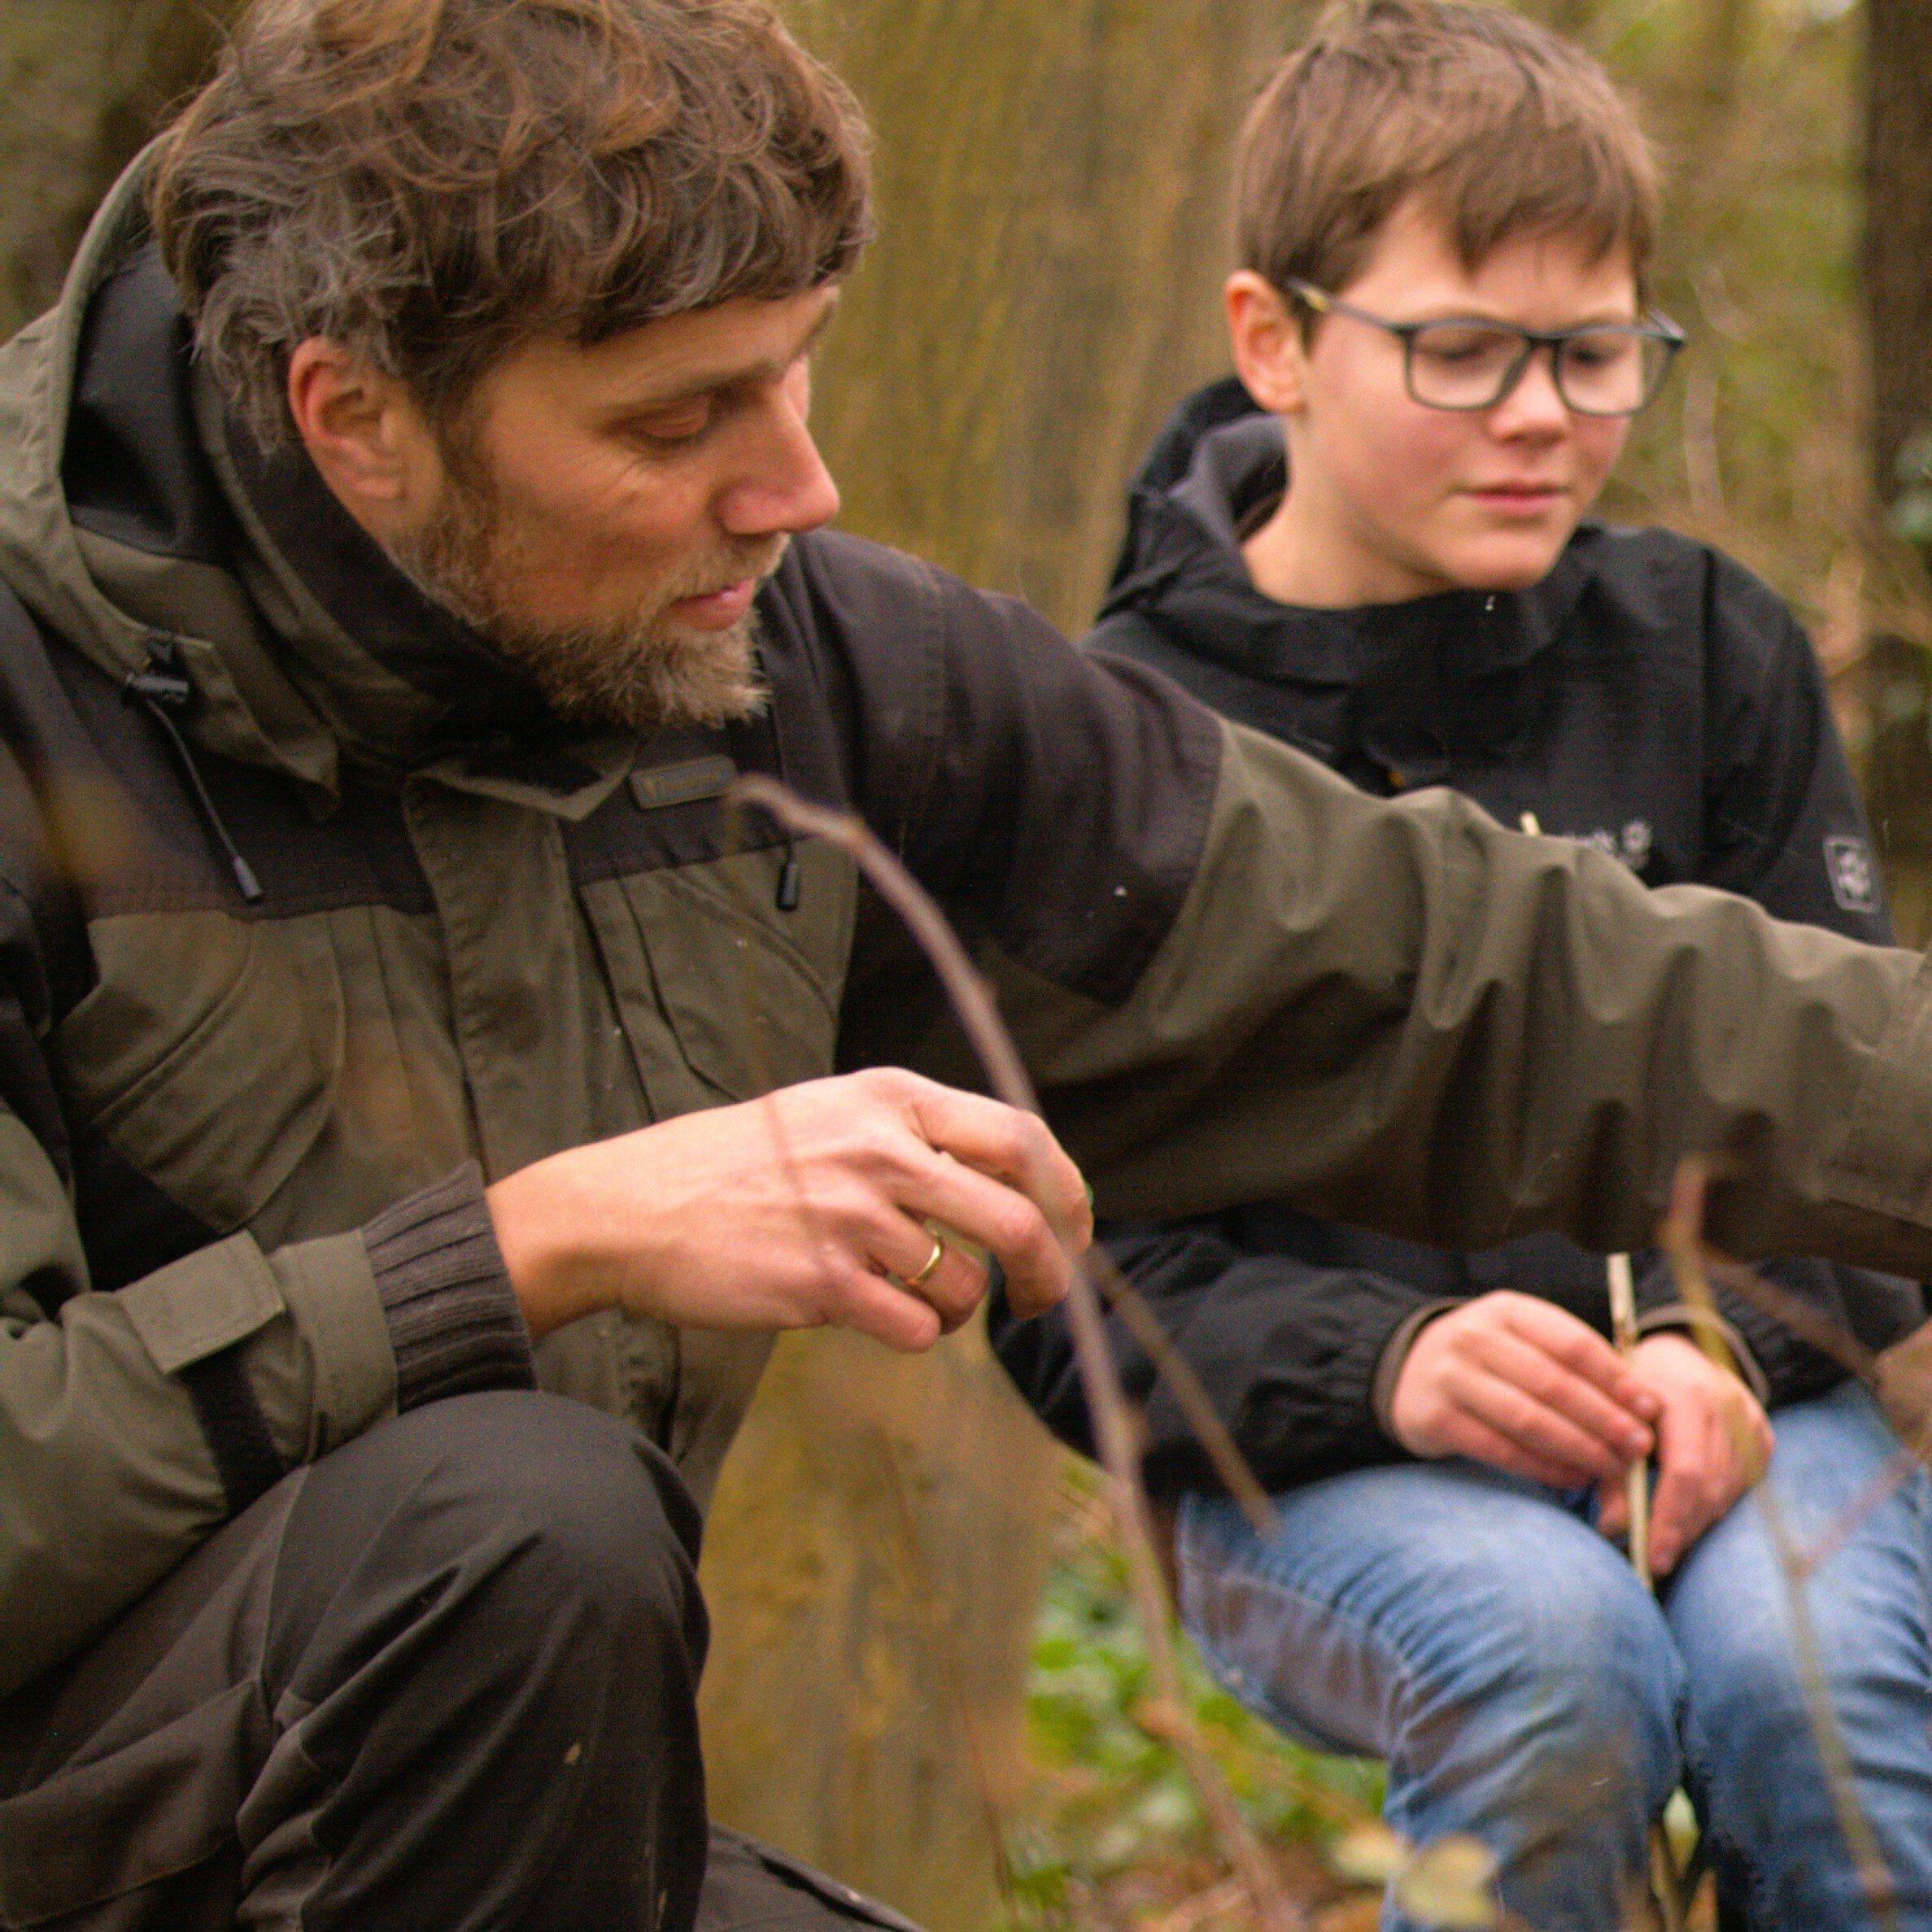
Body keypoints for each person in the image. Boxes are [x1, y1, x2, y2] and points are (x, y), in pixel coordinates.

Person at [1, 2, 1932, 1928]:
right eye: (680, 422)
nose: (798, 490)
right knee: (512, 1523)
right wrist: (515, 1253)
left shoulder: (807, 674)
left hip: (501, 1831)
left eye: (796, 378)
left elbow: (1460, 976)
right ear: (354, 417)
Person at [992, 5, 1932, 1928]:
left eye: (1595, 356)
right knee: (1555, 1662)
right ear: (1277, 340)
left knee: (1812, 1685)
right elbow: (1063, 1271)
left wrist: (1709, 1343)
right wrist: (1395, 1359)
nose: (1541, 417)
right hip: (1320, 1451)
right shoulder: (1126, 735)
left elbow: (1867, 1119)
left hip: (1746, 1400)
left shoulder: (1708, 651)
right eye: (1463, 353)